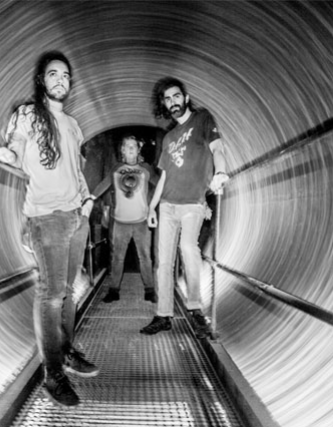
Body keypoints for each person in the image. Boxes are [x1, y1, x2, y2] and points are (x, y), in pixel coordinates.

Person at [0, 51, 99, 407]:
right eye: (53, 74)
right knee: (50, 295)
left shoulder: (74, 124)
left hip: (76, 217)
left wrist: (87, 200)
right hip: (47, 218)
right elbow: (17, 149)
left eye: (65, 75)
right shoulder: (28, 114)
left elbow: (75, 170)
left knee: (67, 291)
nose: (60, 80)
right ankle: (53, 375)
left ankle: (66, 350)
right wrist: (8, 155)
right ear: (41, 80)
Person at [140, 77, 229, 340]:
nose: (173, 102)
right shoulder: (169, 137)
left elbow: (217, 148)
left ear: (186, 98)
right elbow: (164, 177)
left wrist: (220, 172)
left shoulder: (202, 119)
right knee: (163, 262)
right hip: (167, 206)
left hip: (192, 203)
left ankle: (196, 310)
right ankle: (163, 314)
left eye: (176, 96)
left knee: (189, 248)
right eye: (167, 99)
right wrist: (151, 208)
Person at [91, 135, 159, 304]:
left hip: (142, 222)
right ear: (122, 150)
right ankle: (114, 290)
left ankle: (150, 290)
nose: (130, 148)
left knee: (145, 257)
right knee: (117, 257)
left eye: (133, 146)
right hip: (120, 222)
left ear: (138, 150)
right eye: (127, 146)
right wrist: (89, 198)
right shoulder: (116, 169)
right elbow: (104, 184)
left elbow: (161, 185)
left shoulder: (146, 169)